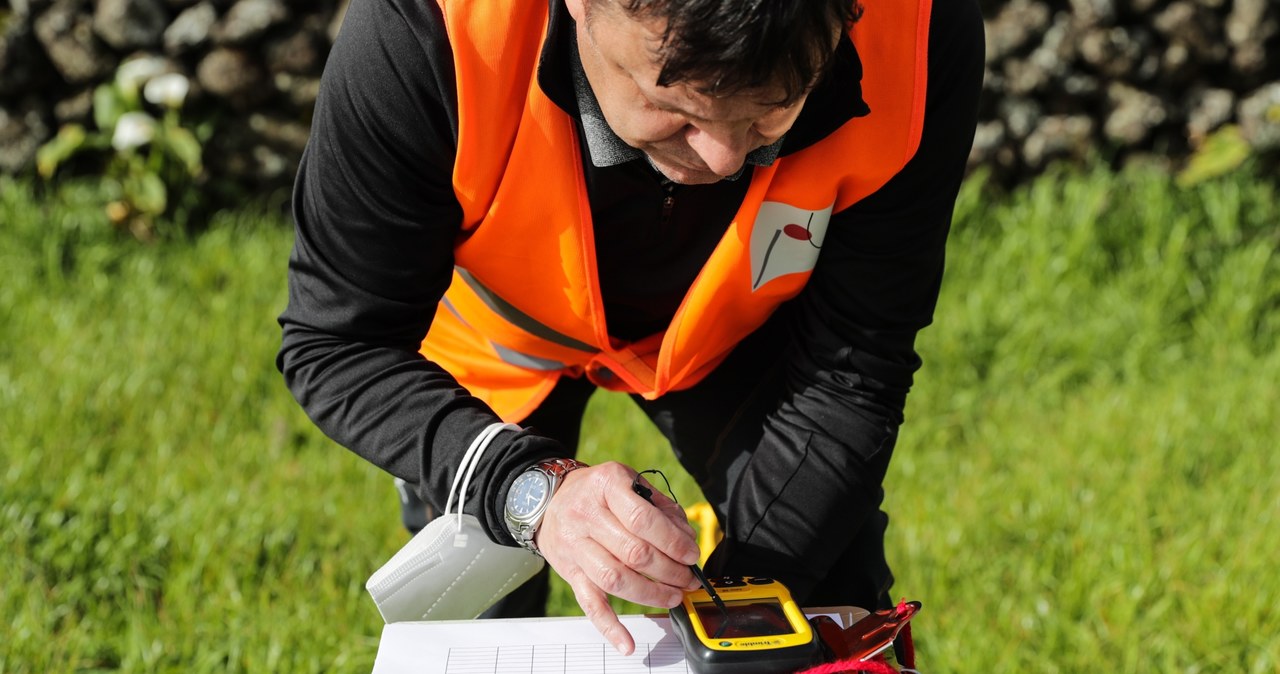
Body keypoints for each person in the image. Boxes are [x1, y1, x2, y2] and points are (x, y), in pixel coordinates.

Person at [278, 0, 983, 656]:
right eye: (668, 106)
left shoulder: (916, 29)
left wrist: (738, 614)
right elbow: (337, 341)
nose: (722, 161)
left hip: (735, 329)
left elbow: (854, 369)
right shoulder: (426, 26)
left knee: (824, 601)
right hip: (494, 340)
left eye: (771, 113)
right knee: (481, 639)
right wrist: (524, 485)